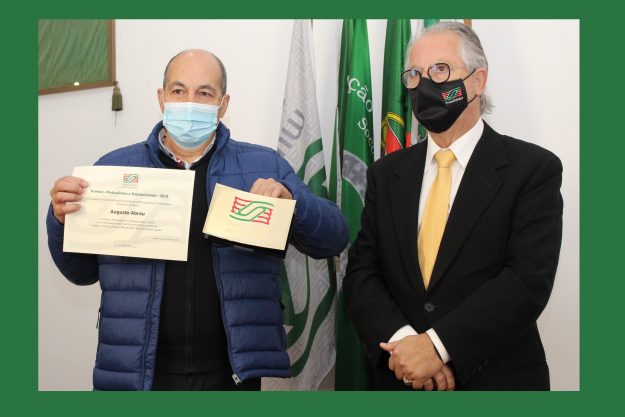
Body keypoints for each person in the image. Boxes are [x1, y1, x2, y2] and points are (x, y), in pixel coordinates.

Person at [47, 49, 348, 391]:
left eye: (204, 93)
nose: (190, 102)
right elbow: (80, 272)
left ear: (223, 103)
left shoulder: (265, 166)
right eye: (179, 91)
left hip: (232, 374)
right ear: (161, 98)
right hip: (137, 375)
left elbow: (333, 238)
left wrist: (294, 203)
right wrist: (60, 220)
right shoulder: (113, 169)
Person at [343, 22, 563, 391]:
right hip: (401, 381)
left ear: (478, 81)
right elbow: (363, 273)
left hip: (497, 383)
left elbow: (526, 281)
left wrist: (437, 347)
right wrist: (406, 346)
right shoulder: (386, 173)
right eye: (415, 74)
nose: (424, 84)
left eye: (440, 70)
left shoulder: (533, 169)